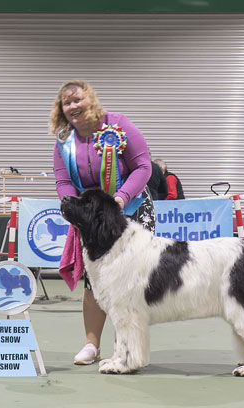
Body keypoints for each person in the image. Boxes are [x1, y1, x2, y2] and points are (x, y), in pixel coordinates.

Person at [50, 79, 155, 366]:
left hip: (130, 209)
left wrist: (120, 198)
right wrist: (74, 208)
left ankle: (127, 347)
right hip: (93, 218)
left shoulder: (117, 125)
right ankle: (91, 345)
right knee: (94, 281)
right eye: (66, 103)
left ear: (91, 99)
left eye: (77, 100)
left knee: (131, 283)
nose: (72, 106)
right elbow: (63, 181)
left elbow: (144, 166)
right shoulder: (64, 140)